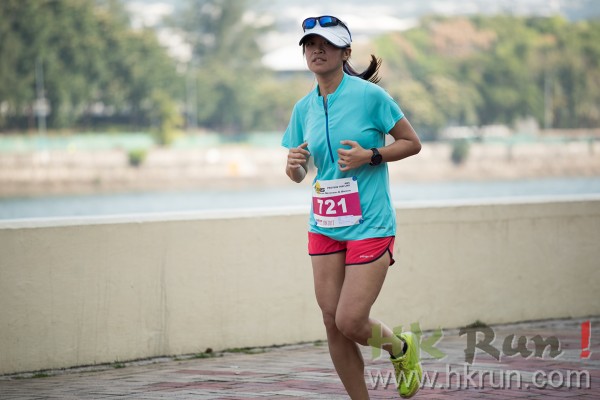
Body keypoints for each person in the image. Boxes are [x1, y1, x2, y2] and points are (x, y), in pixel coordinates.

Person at [282, 15, 423, 399]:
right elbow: (299, 173)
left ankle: (401, 348)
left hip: (370, 224)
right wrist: (293, 167)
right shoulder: (303, 108)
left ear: (345, 53)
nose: (317, 50)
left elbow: (411, 143)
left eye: (326, 44)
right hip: (324, 224)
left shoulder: (370, 97)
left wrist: (371, 155)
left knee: (350, 320)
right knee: (332, 321)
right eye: (310, 45)